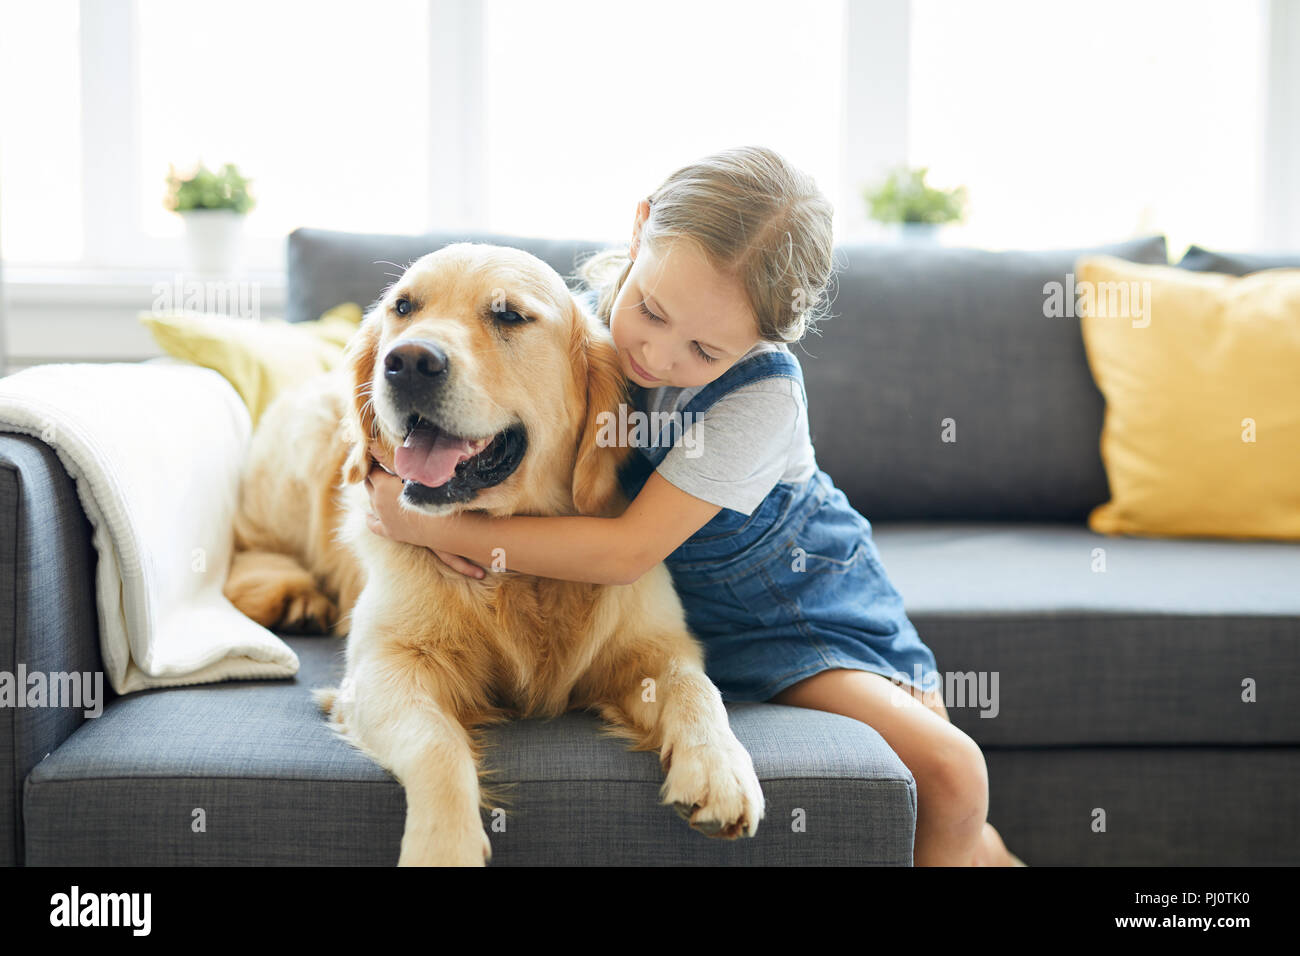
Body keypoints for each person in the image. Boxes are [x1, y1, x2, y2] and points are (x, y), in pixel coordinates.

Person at [363, 146, 1024, 866]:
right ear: (640, 227)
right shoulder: (572, 335)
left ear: (759, 343)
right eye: (650, 309)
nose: (659, 356)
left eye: (705, 350)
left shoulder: (760, 399)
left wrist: (436, 526)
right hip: (682, 615)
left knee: (951, 776)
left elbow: (626, 552)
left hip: (795, 616)